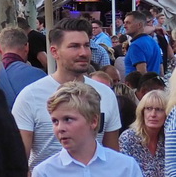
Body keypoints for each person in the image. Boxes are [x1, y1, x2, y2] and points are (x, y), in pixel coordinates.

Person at [15, 18, 122, 169]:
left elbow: (112, 156)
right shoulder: (30, 96)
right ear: (54, 52)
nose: (83, 53)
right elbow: (19, 161)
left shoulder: (105, 94)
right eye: (74, 46)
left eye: (86, 45)